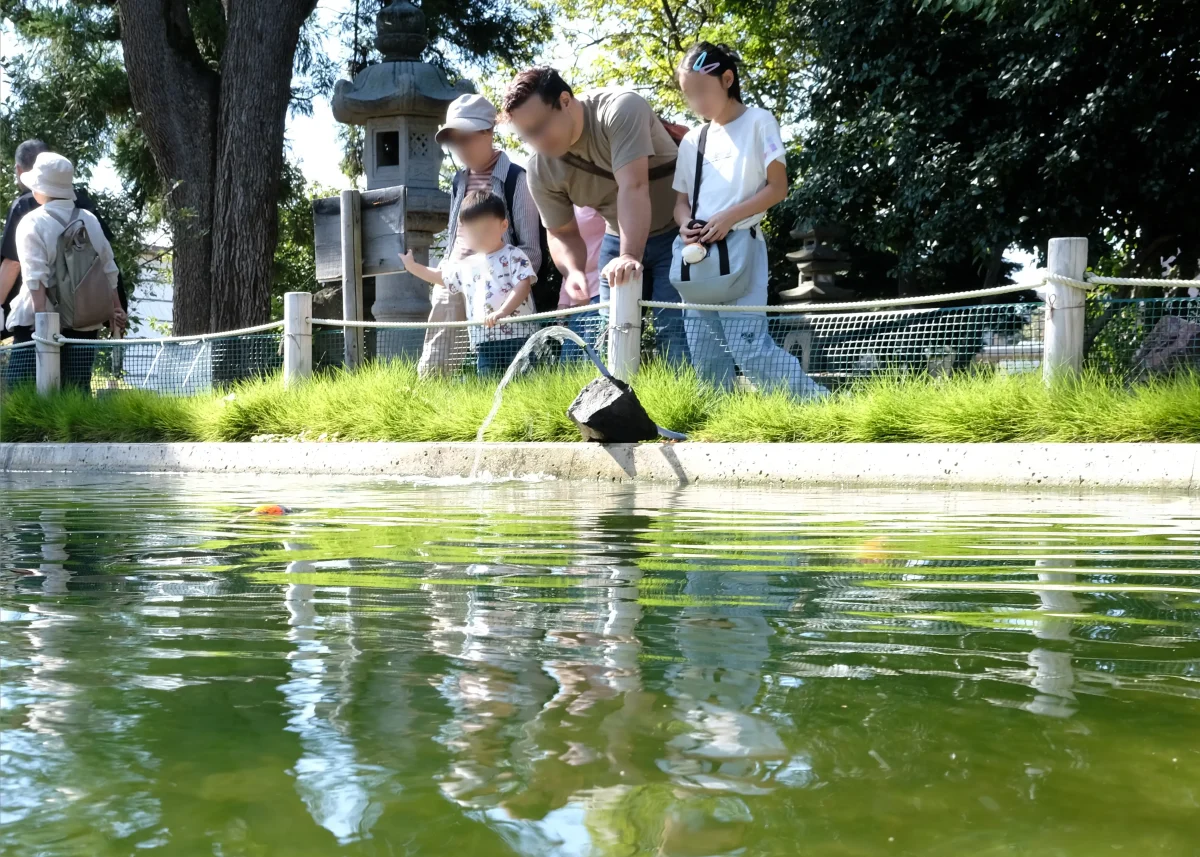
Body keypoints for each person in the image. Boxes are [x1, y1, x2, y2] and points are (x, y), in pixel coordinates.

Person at [671, 43, 827, 398]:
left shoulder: (759, 121)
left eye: (701, 91)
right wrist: (684, 224)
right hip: (698, 256)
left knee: (750, 349)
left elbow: (778, 187)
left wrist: (729, 217)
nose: (696, 103)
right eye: (688, 95)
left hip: (743, 244)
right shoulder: (694, 139)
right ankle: (718, 429)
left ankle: (821, 405)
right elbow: (681, 202)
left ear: (727, 79)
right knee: (705, 355)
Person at [502, 67, 688, 364]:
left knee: (675, 333)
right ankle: (608, 408)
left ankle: (684, 409)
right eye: (527, 136)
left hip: (677, 235)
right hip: (617, 239)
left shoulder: (620, 109)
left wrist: (629, 256)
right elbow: (561, 232)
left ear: (565, 100)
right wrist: (573, 271)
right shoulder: (539, 168)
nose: (537, 142)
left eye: (540, 128)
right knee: (608, 336)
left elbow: (634, 186)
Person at [418, 94, 545, 378]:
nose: (461, 148)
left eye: (467, 137)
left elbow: (531, 249)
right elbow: (456, 235)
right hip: (456, 277)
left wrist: (509, 285)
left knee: (506, 368)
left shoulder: (517, 179)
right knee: (435, 361)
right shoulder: (459, 180)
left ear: (489, 131)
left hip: (498, 287)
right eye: (455, 140)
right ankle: (428, 414)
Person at [3, 152, 125, 390]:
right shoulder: (89, 220)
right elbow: (109, 270)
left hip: (37, 333)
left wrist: (45, 329)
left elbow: (35, 280)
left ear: (40, 188)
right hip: (84, 330)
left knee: (24, 407)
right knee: (73, 406)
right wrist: (116, 310)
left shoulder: (32, 223)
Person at [401, 190, 539, 375]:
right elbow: (442, 277)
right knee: (488, 385)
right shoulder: (466, 265)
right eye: (473, 232)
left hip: (518, 336)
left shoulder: (514, 255)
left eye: (486, 230)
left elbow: (523, 284)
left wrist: (502, 312)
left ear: (503, 225)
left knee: (521, 384)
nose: (479, 237)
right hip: (483, 340)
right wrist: (413, 267)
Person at [559, 204, 606, 362]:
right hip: (578, 299)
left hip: (602, 292)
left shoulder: (605, 199)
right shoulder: (563, 203)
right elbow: (568, 259)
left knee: (592, 362)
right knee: (568, 365)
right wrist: (563, 301)